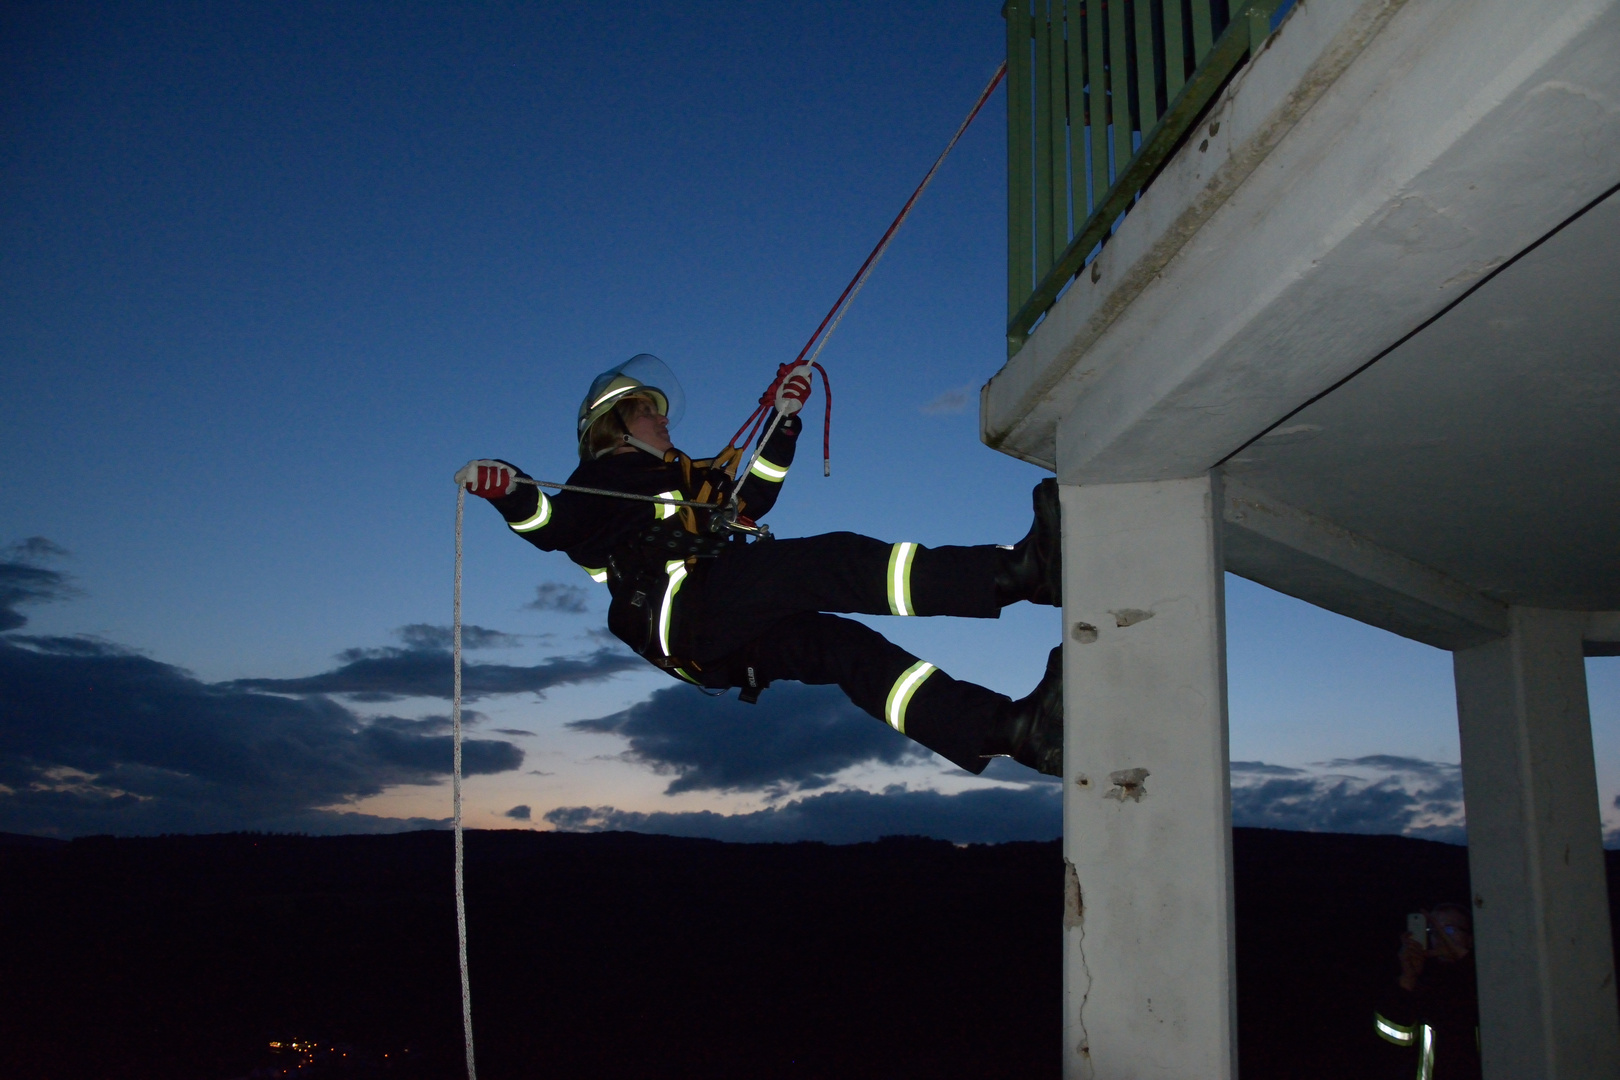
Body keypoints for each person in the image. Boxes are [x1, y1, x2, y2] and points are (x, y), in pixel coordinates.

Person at [456, 354, 1063, 776]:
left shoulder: (685, 477)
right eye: (646, 410)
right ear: (615, 428)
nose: (663, 417)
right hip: (689, 614)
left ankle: (1012, 731)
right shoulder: (601, 482)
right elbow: (552, 524)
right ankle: (1019, 574)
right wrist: (508, 492)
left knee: (845, 649)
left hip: (718, 645)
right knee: (829, 561)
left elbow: (750, 499)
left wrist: (785, 420)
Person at [1374, 903, 1481, 1080]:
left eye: (1449, 930)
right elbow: (1390, 1042)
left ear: (1470, 938)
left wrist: (1464, 962)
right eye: (1432, 929)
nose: (1440, 936)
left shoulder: (1488, 981)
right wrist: (1407, 978)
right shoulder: (1419, 983)